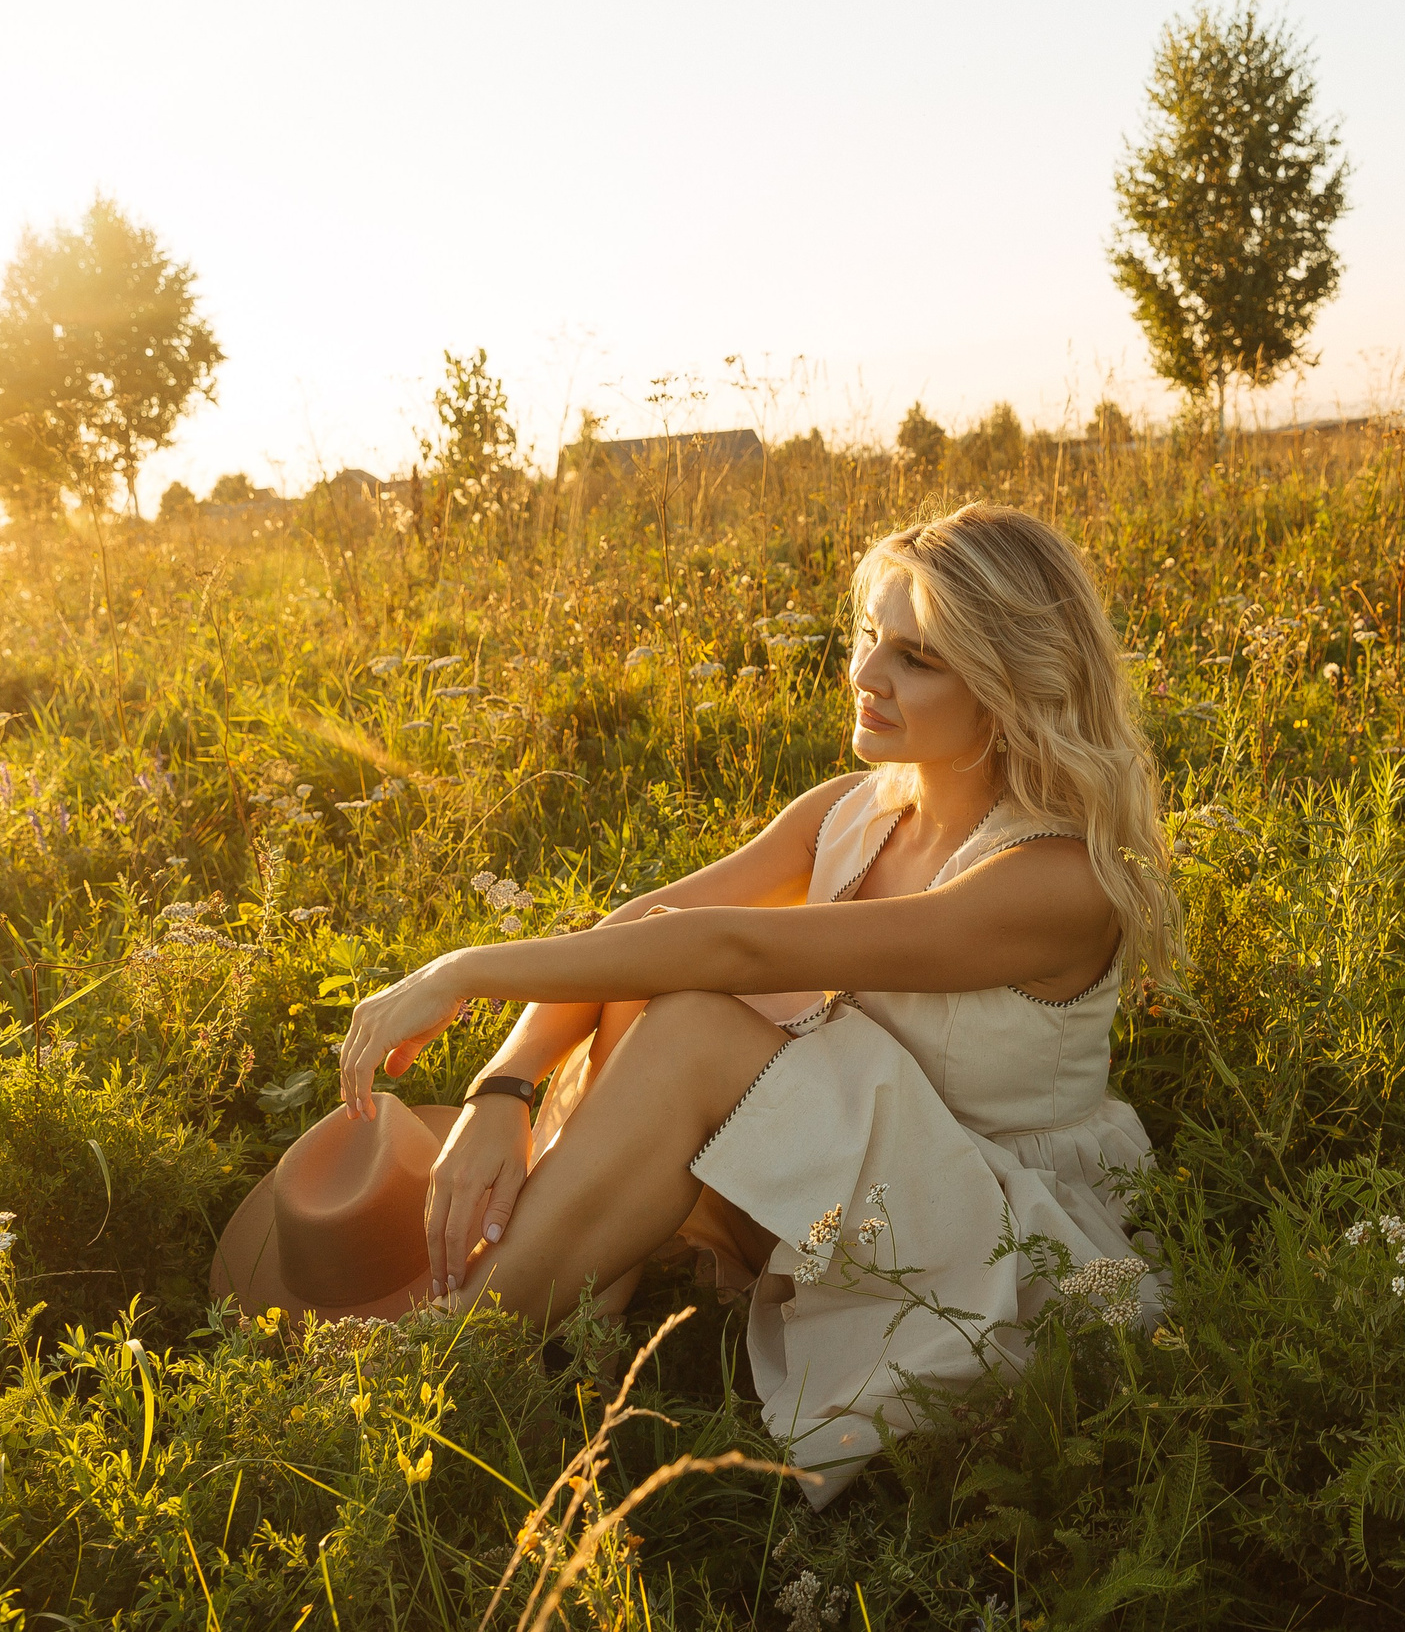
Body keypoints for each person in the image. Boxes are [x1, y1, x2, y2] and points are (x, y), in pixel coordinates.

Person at [327, 500, 1182, 1501]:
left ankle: (440, 1359)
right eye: (869, 636)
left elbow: (727, 944)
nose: (865, 675)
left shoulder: (1052, 879)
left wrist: (463, 969)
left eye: (917, 658)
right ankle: (552, 1335)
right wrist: (503, 1086)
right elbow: (637, 931)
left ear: (1008, 687)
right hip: (870, 1183)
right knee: (649, 987)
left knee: (691, 1017)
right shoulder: (851, 812)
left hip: (993, 1236)